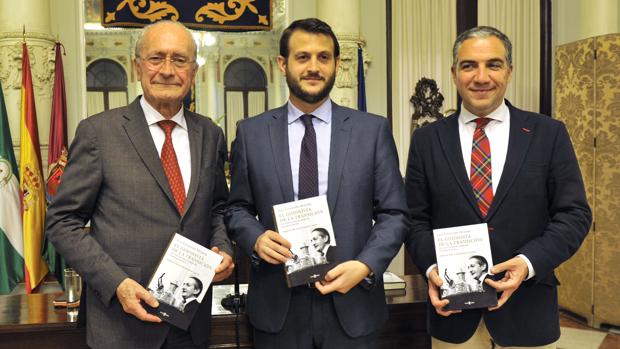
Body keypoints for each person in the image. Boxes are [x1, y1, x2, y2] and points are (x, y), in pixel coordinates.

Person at [45, 20, 234, 349]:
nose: (167, 70)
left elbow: (217, 208)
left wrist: (224, 249)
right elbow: (63, 222)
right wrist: (116, 283)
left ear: (195, 71)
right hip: (123, 324)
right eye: (156, 58)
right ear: (136, 67)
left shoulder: (210, 134)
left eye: (179, 60)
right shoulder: (99, 133)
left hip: (190, 323)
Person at [225, 18, 408, 349]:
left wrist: (366, 266)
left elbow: (395, 213)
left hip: (352, 305)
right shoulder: (251, 133)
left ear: (337, 64)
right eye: (302, 57)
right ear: (282, 64)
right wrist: (254, 239)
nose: (314, 67)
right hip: (277, 308)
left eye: (324, 57)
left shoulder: (372, 131)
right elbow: (237, 207)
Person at [405, 26, 592, 348]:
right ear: (453, 73)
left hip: (529, 311)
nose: (481, 77)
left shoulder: (548, 134)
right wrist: (433, 268)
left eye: (493, 64)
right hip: (453, 315)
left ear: (509, 70)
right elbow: (414, 219)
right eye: (469, 66)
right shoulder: (427, 140)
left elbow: (573, 215)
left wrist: (527, 263)